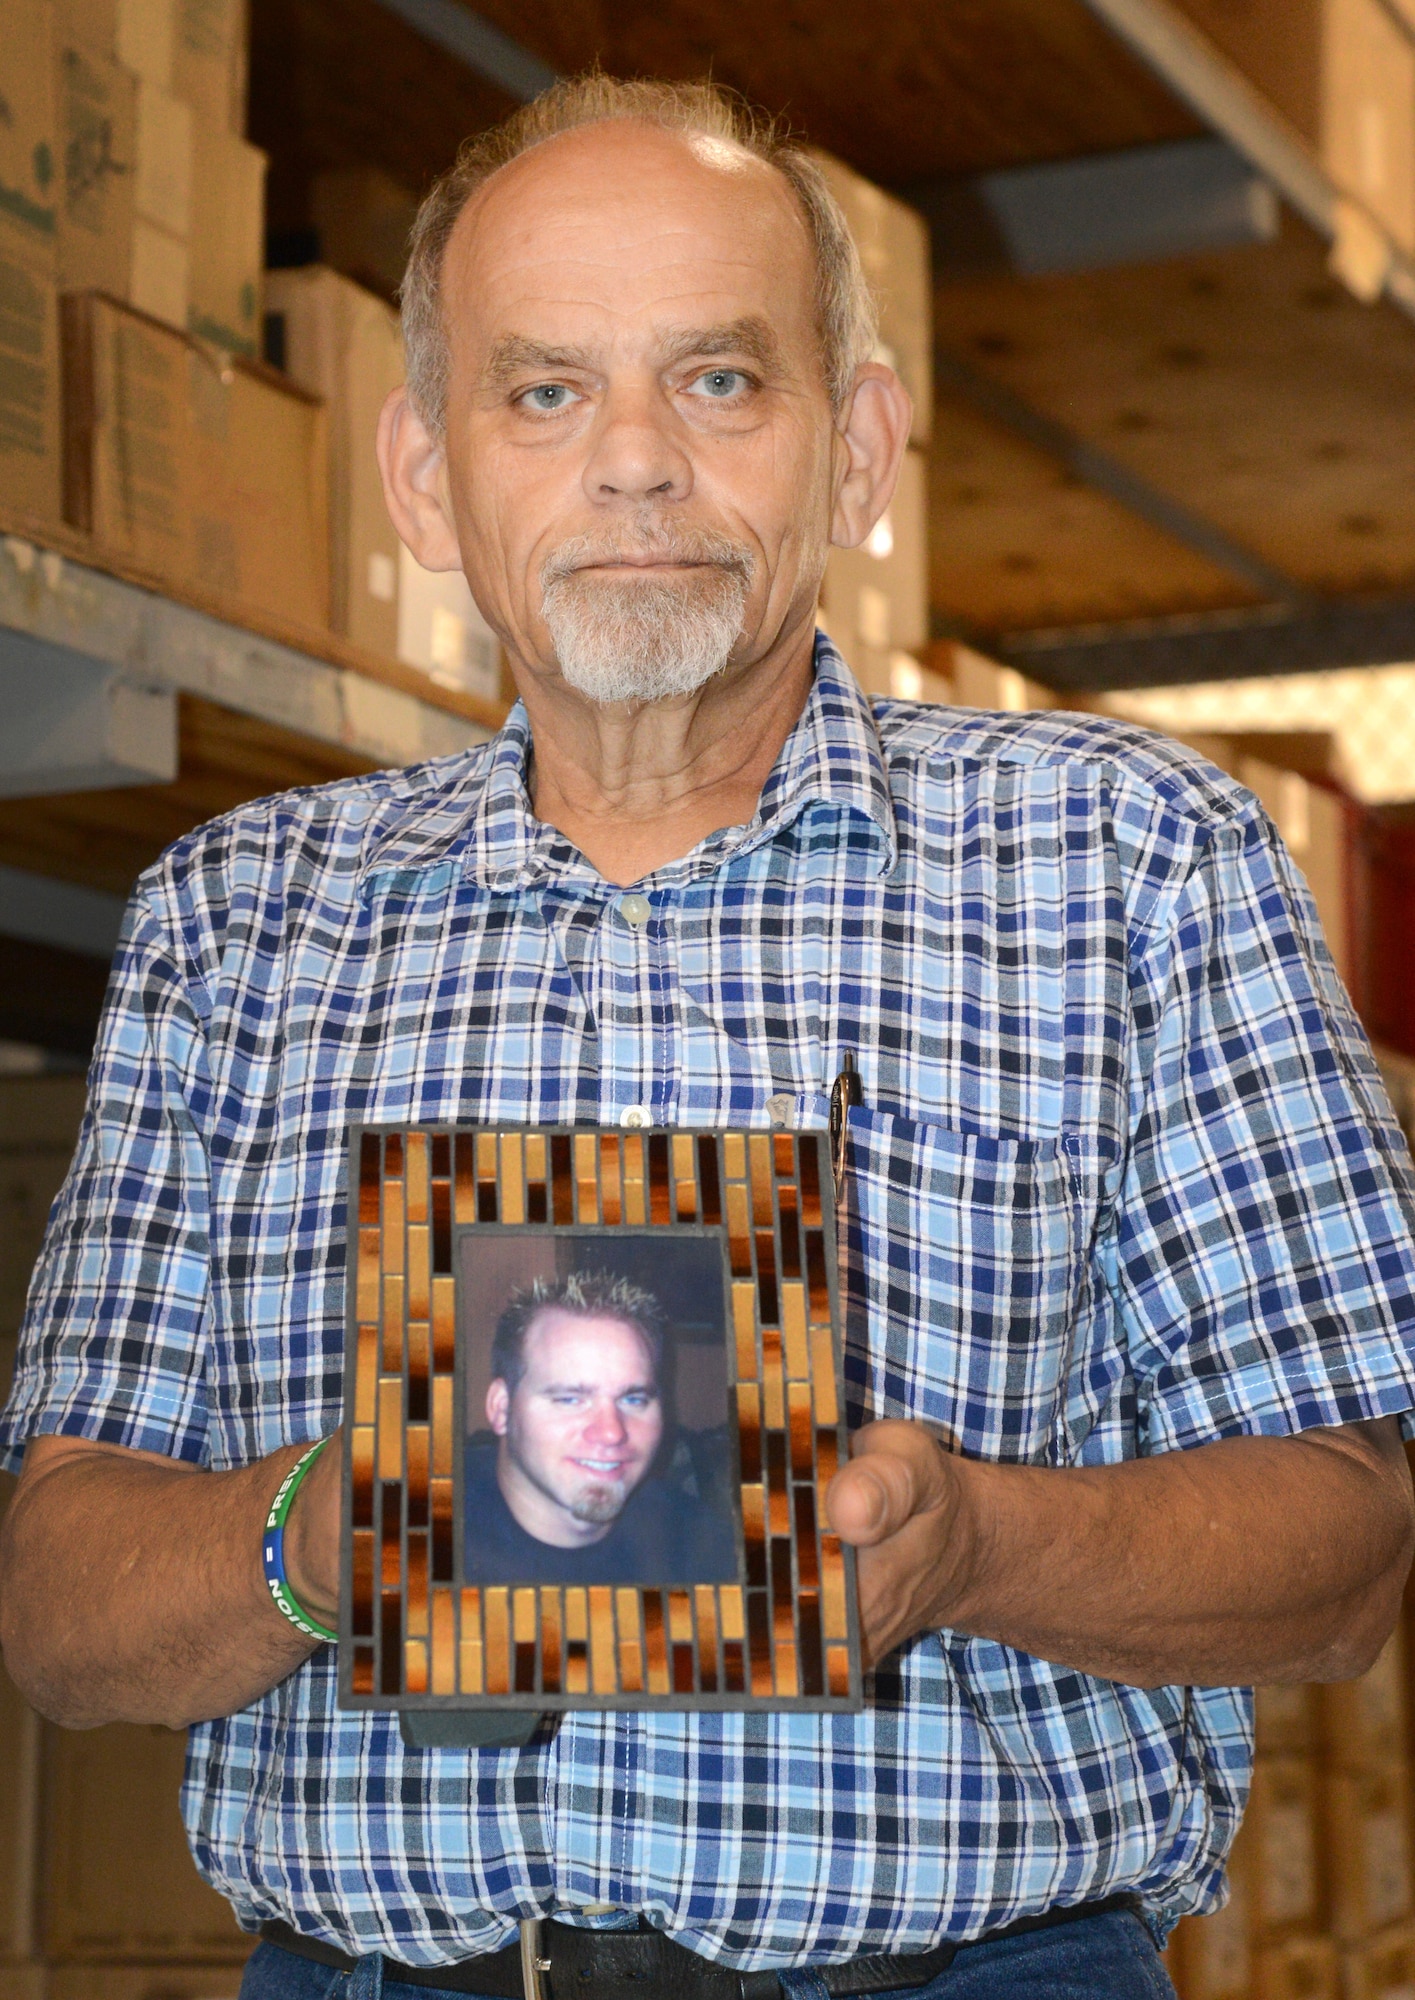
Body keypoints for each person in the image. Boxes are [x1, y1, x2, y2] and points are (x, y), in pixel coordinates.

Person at [2, 70, 1415, 2000]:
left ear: (857, 450)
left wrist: (976, 1544)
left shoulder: (1130, 860)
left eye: (723, 382)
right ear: (425, 478)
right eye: (546, 389)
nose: (639, 461)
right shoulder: (235, 927)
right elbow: (59, 1602)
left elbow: (1347, 1553)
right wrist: (326, 1538)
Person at [464, 1269, 737, 1584]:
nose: (612, 1432)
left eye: (633, 1400)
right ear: (501, 1408)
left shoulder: (705, 1547)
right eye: (569, 1399)